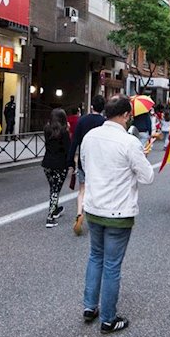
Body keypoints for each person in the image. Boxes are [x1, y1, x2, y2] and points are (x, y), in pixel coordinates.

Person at [79, 96, 154, 334]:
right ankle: (109, 319)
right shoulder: (129, 142)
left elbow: (84, 164)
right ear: (125, 115)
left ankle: (90, 307)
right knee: (112, 265)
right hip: (118, 211)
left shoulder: (89, 137)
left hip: (93, 207)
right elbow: (146, 177)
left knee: (95, 257)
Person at [70, 95, 107, 235]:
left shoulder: (82, 120)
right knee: (98, 189)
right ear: (103, 108)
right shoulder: (105, 122)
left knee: (82, 190)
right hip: (100, 161)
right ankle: (97, 217)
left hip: (84, 160)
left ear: (92, 106)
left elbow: (75, 141)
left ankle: (79, 213)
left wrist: (70, 160)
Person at [41, 108, 73, 228]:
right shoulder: (63, 132)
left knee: (53, 188)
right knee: (56, 189)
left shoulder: (47, 129)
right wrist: (71, 164)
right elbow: (67, 149)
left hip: (47, 163)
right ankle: (50, 217)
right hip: (60, 164)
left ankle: (55, 210)